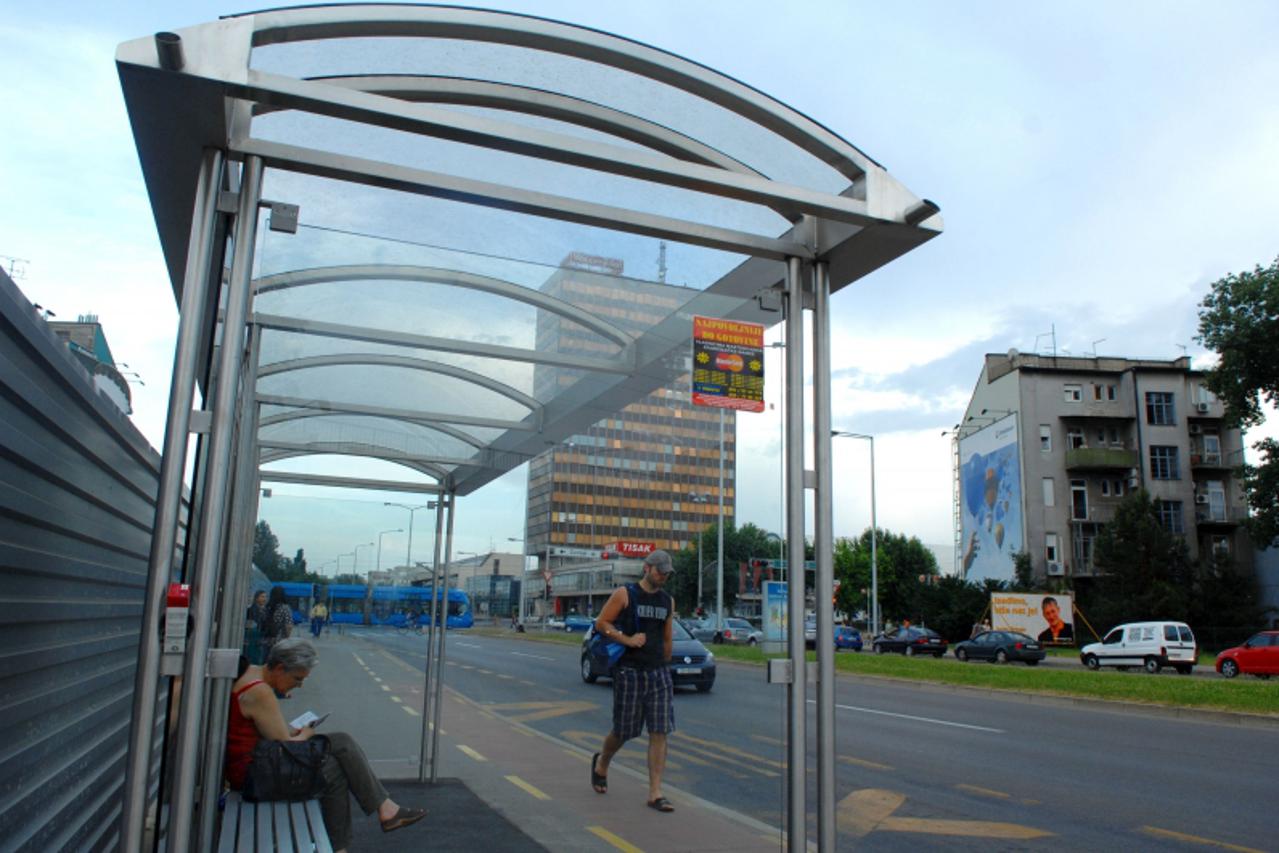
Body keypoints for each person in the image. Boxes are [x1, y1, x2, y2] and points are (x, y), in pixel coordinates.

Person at [225, 638, 425, 850]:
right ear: (280, 668)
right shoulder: (261, 692)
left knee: (336, 758)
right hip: (253, 777)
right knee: (339, 748)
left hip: (255, 766)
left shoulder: (252, 676)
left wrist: (298, 734)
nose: (299, 685)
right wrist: (307, 733)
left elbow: (272, 737)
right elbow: (288, 746)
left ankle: (373, 820)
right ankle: (379, 814)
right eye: (297, 678)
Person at [589, 550, 676, 813]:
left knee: (660, 730)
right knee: (624, 730)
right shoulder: (625, 594)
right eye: (660, 571)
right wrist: (627, 640)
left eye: (667, 572)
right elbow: (601, 623)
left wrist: (666, 662)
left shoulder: (667, 601)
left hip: (658, 672)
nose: (663, 576)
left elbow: (667, 635)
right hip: (629, 671)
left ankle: (655, 792)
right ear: (647, 568)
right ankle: (602, 763)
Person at [262, 586, 293, 655]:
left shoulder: (267, 607)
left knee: (266, 661)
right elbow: (288, 625)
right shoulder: (285, 608)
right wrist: (288, 638)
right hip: (280, 641)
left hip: (266, 640)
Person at [244, 591, 268, 665]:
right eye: (262, 596)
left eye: (265, 597)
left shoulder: (265, 610)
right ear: (256, 598)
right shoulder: (251, 610)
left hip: (260, 638)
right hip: (252, 638)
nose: (264, 599)